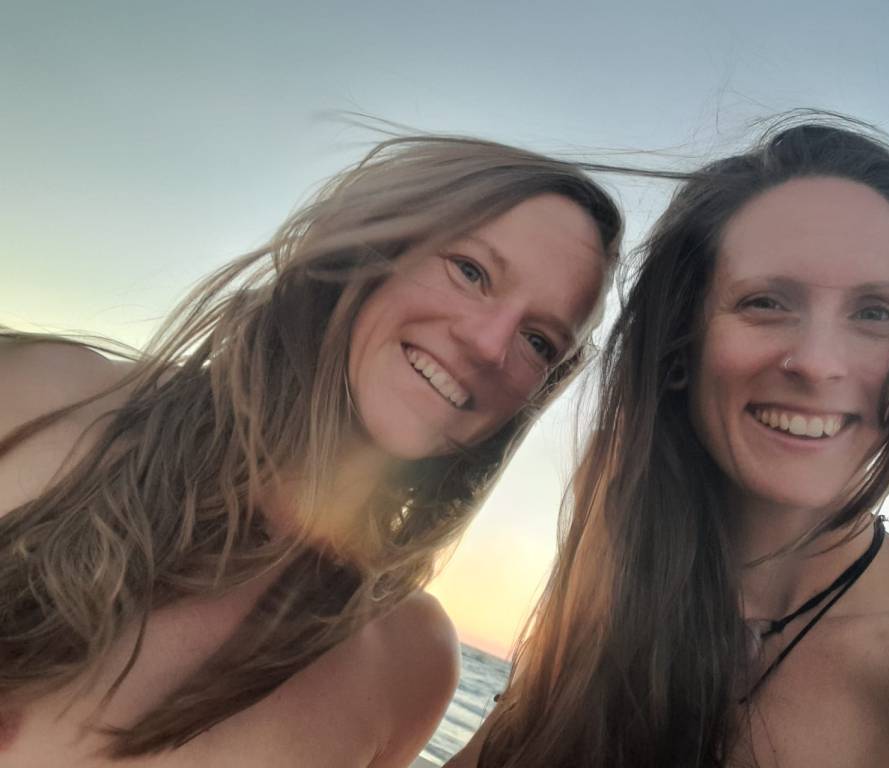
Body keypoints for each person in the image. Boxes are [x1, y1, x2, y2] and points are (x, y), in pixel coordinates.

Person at [0, 135, 622, 767]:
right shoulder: (42, 397)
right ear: (376, 242)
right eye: (470, 271)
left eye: (539, 342)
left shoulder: (408, 664)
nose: (490, 345)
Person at [449, 116, 889, 767]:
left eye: (874, 313)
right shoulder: (624, 561)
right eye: (767, 302)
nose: (817, 363)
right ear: (681, 344)